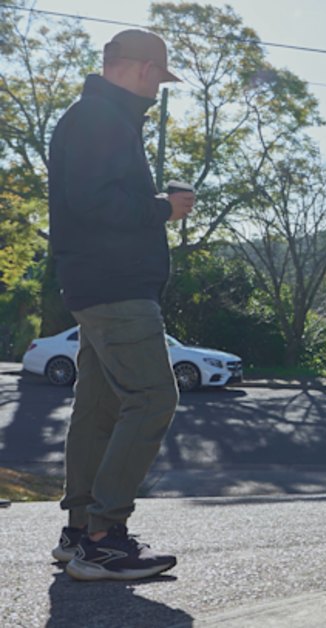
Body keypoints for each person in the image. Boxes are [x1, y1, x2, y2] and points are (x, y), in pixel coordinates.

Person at [48, 29, 194, 581]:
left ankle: (79, 532)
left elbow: (91, 199)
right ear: (137, 68)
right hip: (115, 287)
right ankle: (105, 538)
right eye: (158, 76)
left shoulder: (96, 118)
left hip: (94, 284)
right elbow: (94, 203)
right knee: (154, 396)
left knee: (99, 409)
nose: (158, 87)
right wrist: (162, 208)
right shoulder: (98, 120)